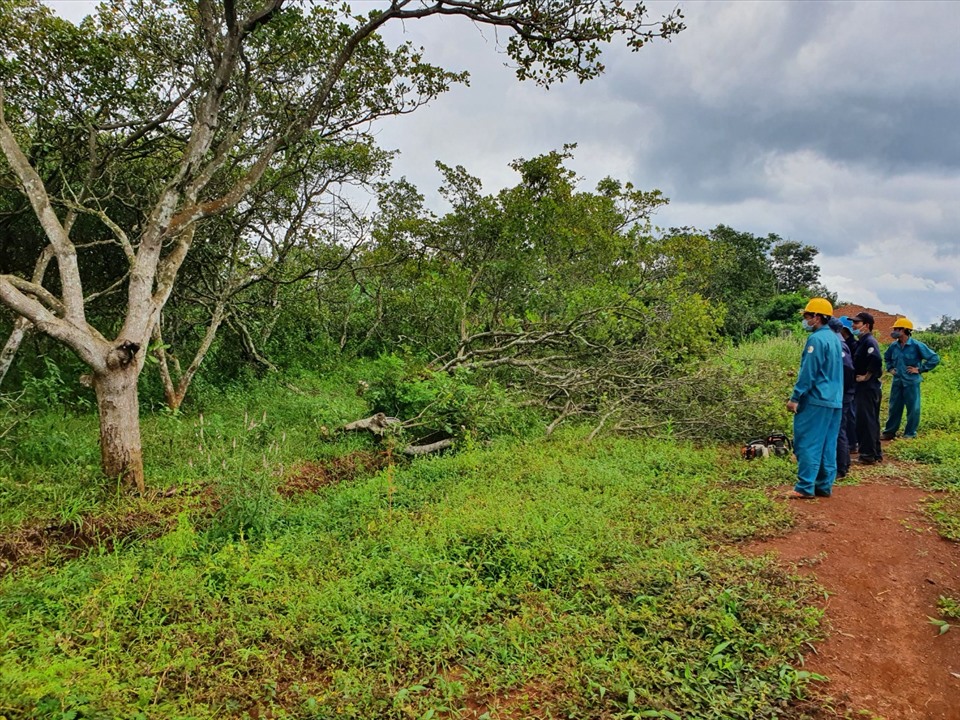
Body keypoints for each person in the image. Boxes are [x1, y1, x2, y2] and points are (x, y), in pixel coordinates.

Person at [786, 298, 844, 499]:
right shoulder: (835, 339)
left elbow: (809, 373)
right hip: (834, 400)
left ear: (817, 317)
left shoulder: (816, 340)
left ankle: (804, 486)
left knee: (808, 441)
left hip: (816, 399)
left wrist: (795, 397)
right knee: (828, 443)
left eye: (807, 316)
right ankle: (824, 485)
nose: (805, 320)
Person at [882, 317, 940, 439]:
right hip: (897, 381)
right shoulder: (893, 346)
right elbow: (887, 357)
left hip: (911, 382)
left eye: (897, 329)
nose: (894, 331)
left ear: (905, 330)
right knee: (894, 407)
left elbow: (934, 358)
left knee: (913, 409)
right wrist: (890, 368)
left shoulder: (917, 346)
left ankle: (910, 434)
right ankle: (889, 432)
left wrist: (920, 369)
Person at [851, 311, 883, 464]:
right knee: (871, 420)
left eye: (857, 323)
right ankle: (874, 453)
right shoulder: (861, 341)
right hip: (867, 387)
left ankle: (867, 455)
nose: (853, 326)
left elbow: (876, 359)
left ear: (866, 325)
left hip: (867, 387)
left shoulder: (869, 342)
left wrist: (866, 376)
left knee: (865, 420)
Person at [828, 317, 855, 477]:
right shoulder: (837, 343)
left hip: (842, 395)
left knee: (838, 430)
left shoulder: (839, 345)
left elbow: (847, 368)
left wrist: (841, 387)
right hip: (841, 394)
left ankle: (842, 467)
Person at [837, 315, 859, 453]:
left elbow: (849, 367)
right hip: (849, 385)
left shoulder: (851, 345)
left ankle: (852, 443)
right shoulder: (847, 344)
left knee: (849, 415)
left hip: (849, 385)